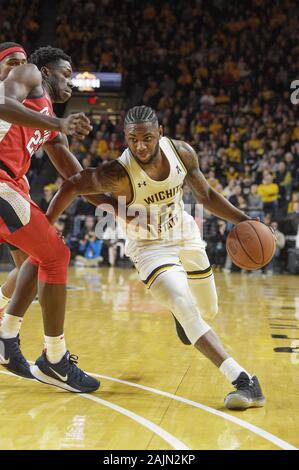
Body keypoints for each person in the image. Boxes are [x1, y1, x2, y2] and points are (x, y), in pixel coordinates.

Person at [46, 105, 266, 410]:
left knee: (208, 310)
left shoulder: (182, 153)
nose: (140, 146)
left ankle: (185, 316)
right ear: (125, 138)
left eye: (147, 138)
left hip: (185, 233)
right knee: (183, 304)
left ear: (160, 133)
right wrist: (49, 224)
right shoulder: (118, 172)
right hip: (150, 247)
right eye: (133, 140)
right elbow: (73, 185)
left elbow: (205, 196)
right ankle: (244, 381)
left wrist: (244, 221)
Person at [0, 42, 108, 393]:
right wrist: (58, 120)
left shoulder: (49, 126)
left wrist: (118, 208)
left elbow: (76, 180)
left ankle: (8, 338)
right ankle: (54, 359)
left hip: (12, 184)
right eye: (66, 74)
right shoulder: (29, 74)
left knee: (37, 259)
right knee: (54, 255)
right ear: (46, 72)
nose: (71, 83)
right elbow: (2, 102)